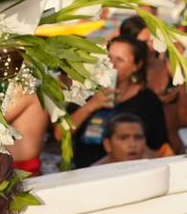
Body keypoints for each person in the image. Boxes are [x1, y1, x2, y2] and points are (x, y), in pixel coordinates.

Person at [68, 37, 169, 166]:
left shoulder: (147, 100)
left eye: (120, 60)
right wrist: (91, 106)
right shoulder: (86, 90)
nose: (112, 65)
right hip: (85, 173)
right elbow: (60, 135)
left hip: (127, 172)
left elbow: (160, 147)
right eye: (109, 58)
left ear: (136, 66)